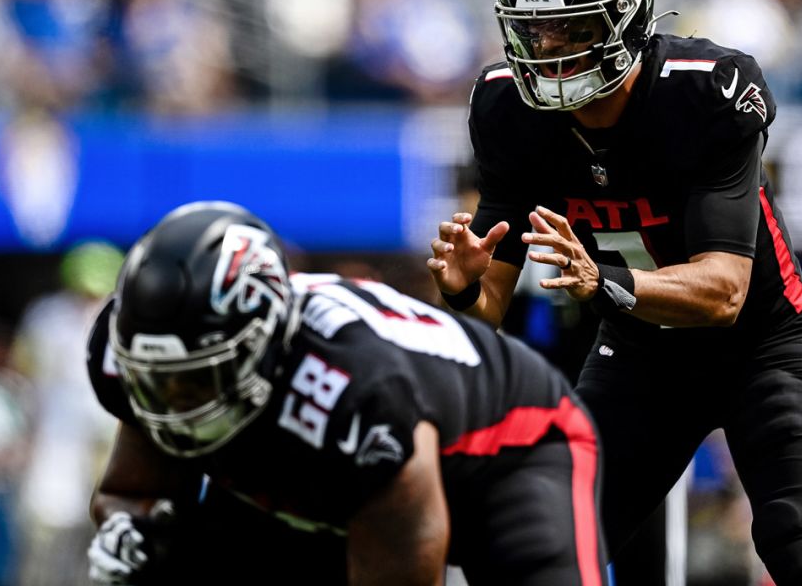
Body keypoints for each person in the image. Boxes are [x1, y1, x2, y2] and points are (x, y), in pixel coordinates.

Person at [427, 0, 802, 585]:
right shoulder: (508, 111)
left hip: (764, 344)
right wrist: (458, 291)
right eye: (534, 31)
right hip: (643, 351)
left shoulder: (704, 91)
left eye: (571, 27)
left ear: (625, 16)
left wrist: (603, 283)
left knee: (800, 547)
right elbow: (486, 314)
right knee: (543, 545)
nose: (548, 49)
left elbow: (724, 292)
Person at [85, 201, 606, 585]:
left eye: (197, 379)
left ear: (263, 344)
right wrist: (132, 533)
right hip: (334, 462)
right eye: (160, 382)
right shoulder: (147, 353)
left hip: (513, 446)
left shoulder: (354, 392)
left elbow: (400, 565)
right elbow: (131, 492)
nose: (178, 402)